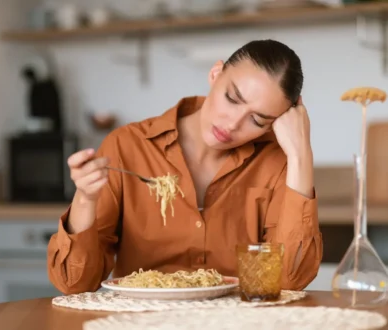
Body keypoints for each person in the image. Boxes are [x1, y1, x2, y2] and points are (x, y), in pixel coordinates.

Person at [47, 39, 323, 295]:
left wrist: (301, 154)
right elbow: (75, 283)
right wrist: (85, 197)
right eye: (232, 98)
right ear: (216, 74)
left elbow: (289, 281)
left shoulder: (276, 161)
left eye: (258, 121)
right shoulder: (127, 146)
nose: (232, 124)